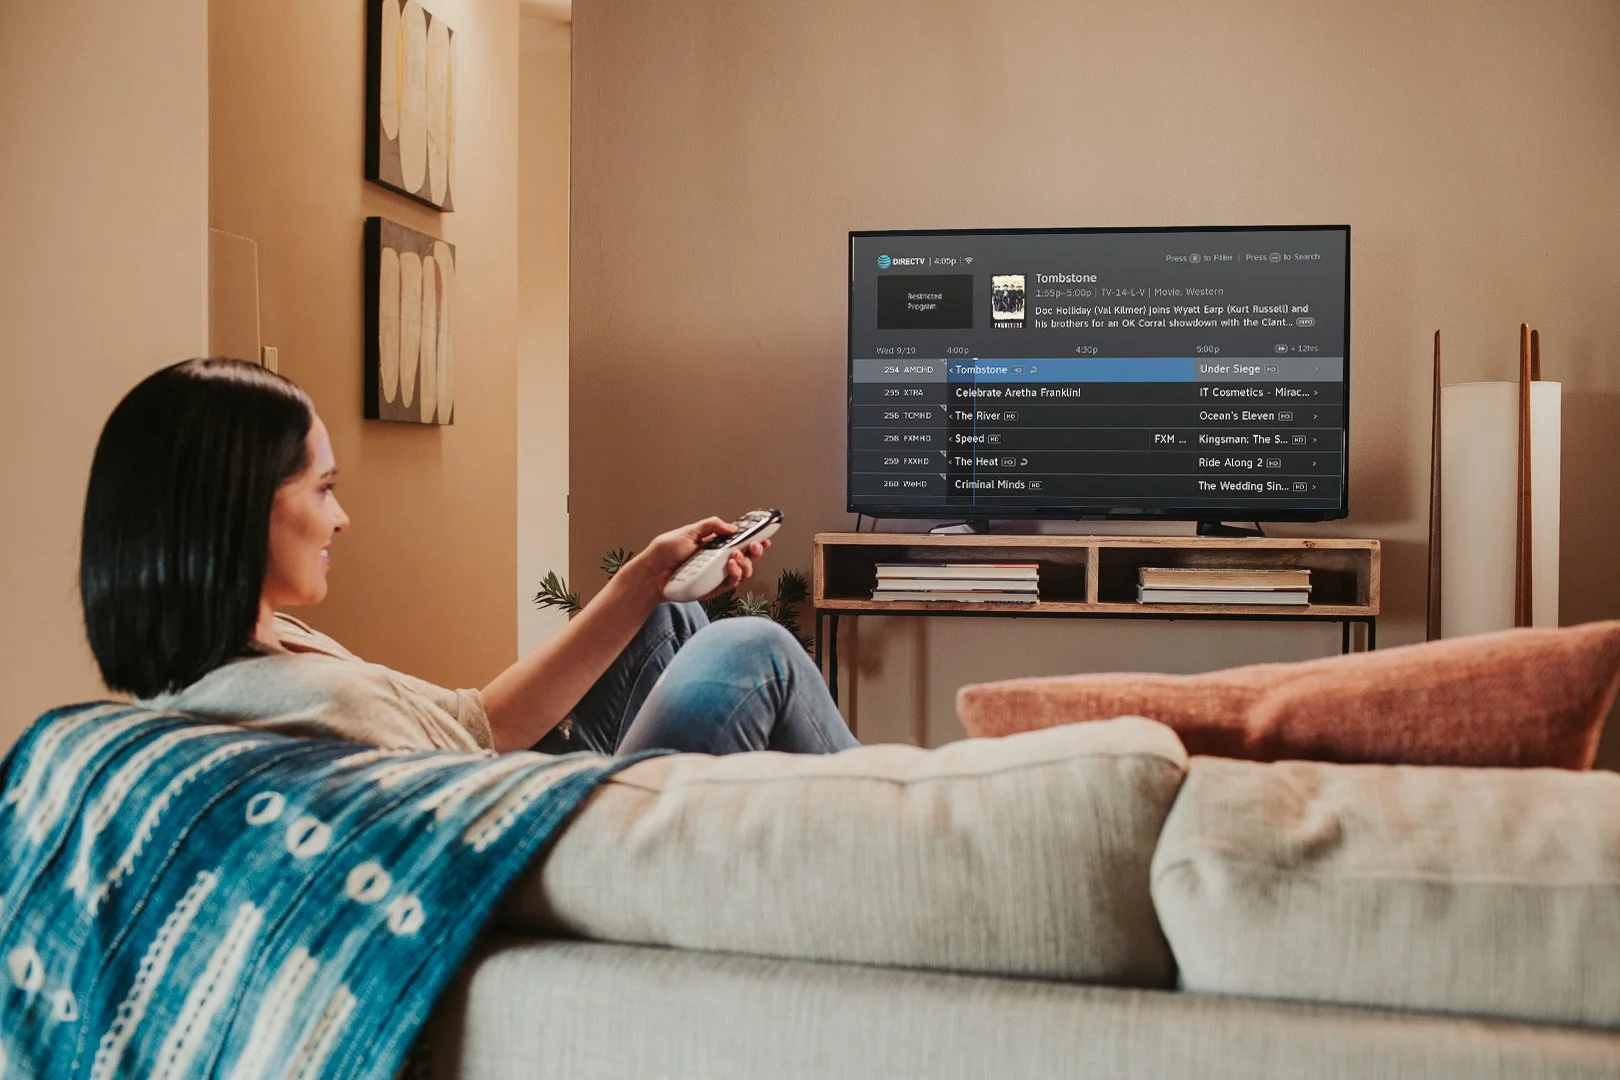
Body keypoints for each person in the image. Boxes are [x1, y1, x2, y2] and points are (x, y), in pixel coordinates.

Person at [79, 358, 859, 758]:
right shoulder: (314, 706)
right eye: (323, 489)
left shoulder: (260, 649)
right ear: (237, 510)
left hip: (511, 775)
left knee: (675, 612)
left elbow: (479, 724)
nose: (341, 518)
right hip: (555, 837)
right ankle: (903, 838)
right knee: (752, 647)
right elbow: (485, 759)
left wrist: (646, 577)